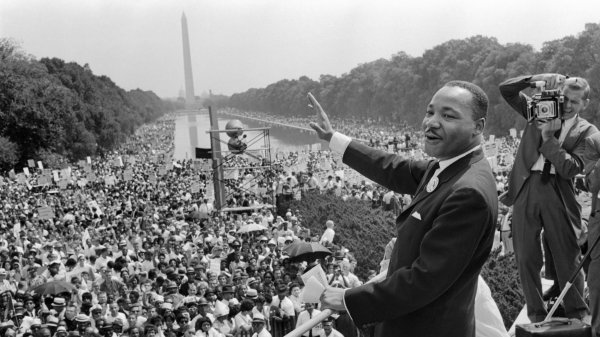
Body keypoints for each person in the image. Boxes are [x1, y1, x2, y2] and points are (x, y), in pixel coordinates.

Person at [309, 80, 498, 337]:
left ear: (478, 127)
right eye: (430, 112)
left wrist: (349, 299)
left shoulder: (468, 192)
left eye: (448, 115)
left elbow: (425, 279)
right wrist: (333, 138)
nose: (432, 122)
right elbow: (393, 168)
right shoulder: (450, 167)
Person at [499, 74, 596, 322]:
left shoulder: (589, 132)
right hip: (526, 186)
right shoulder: (539, 109)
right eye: (564, 98)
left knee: (567, 256)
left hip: (558, 190)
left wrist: (548, 139)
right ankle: (536, 315)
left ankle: (576, 313)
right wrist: (535, 79)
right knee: (526, 256)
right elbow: (507, 90)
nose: (567, 105)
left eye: (575, 101)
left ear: (585, 103)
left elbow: (571, 168)